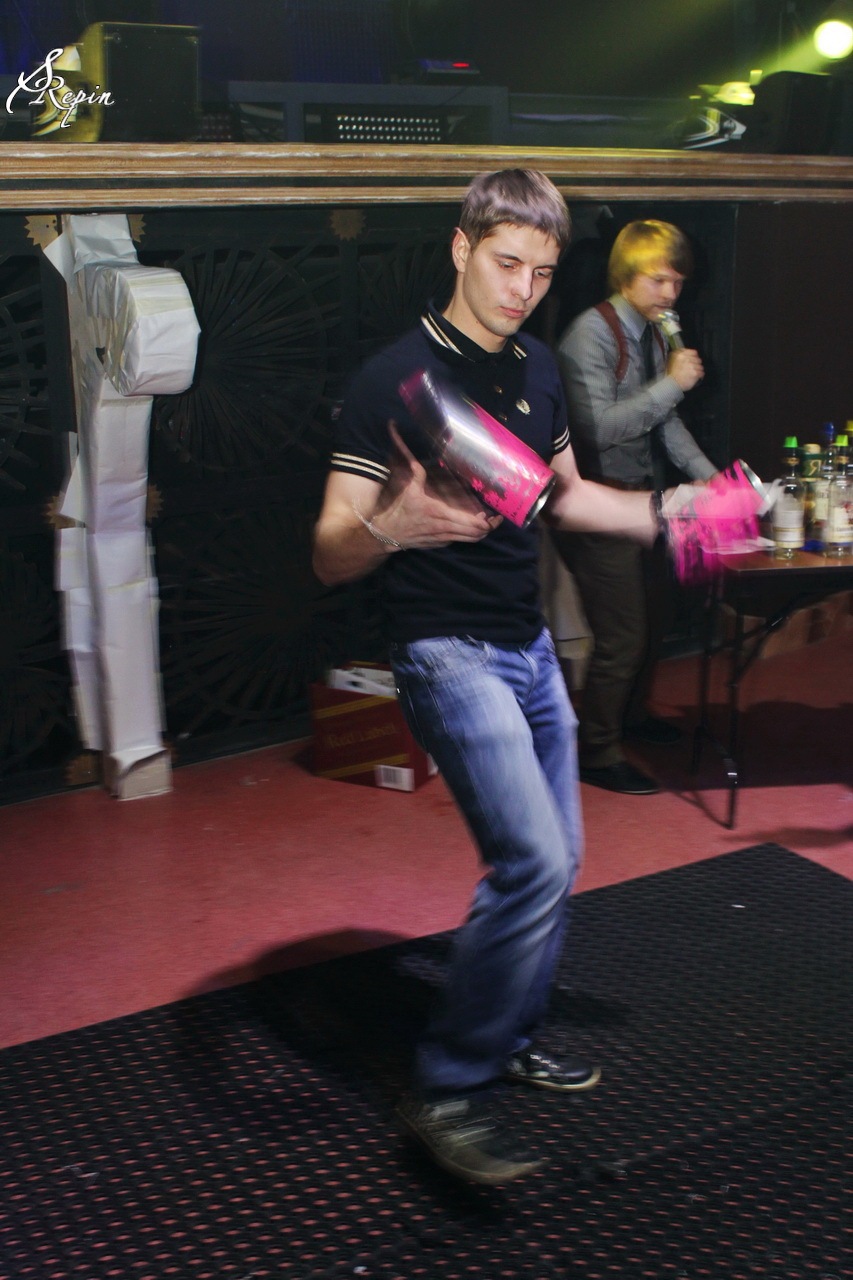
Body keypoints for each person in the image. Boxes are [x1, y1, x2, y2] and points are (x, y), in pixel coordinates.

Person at [312, 171, 669, 1186]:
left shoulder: (538, 366)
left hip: (528, 649)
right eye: (506, 263)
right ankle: (446, 1086)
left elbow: (565, 496)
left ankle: (507, 1031)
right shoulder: (393, 379)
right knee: (533, 862)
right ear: (461, 248)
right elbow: (329, 552)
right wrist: (393, 524)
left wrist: (672, 516)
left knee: (559, 858)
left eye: (542, 273)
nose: (521, 289)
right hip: (445, 651)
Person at [552, 220, 718, 796]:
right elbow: (597, 429)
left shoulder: (653, 332)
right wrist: (672, 384)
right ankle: (597, 752)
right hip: (596, 505)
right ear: (626, 275)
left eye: (678, 281)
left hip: (647, 501)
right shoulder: (588, 335)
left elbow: (664, 423)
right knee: (622, 636)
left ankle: (631, 718)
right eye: (659, 280)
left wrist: (712, 480)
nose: (671, 293)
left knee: (655, 619)